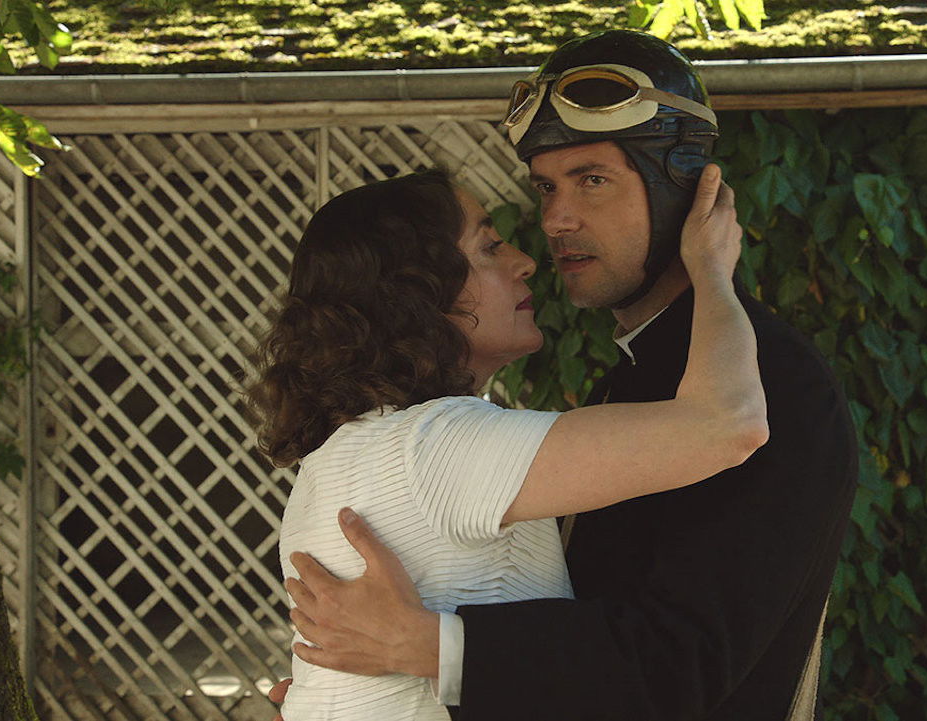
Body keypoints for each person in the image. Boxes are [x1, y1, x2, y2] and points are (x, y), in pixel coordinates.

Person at [275, 30, 858, 720]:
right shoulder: (620, 384)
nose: (554, 220)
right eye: (547, 187)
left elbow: (683, 666)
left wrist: (429, 649)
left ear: (678, 186)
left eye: (592, 180)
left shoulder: (774, 382)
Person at [249, 161, 764, 720]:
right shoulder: (434, 444)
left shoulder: (345, 454)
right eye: (489, 247)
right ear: (415, 293)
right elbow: (727, 425)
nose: (524, 262)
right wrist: (712, 272)